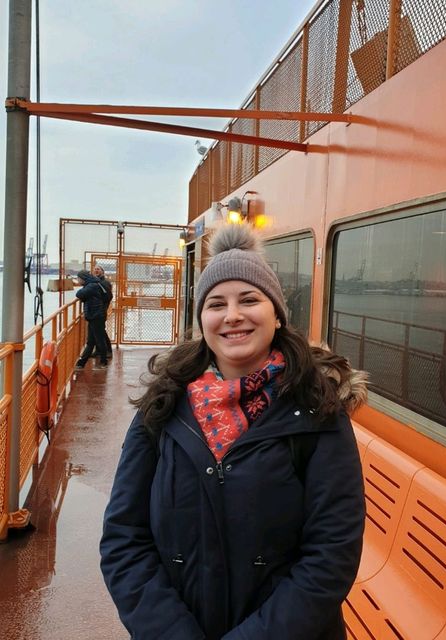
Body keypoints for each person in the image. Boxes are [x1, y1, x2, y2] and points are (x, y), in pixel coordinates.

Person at [100, 224, 367, 640]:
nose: (233, 316)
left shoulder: (318, 411)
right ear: (202, 319)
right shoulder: (164, 405)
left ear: (276, 314)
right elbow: (124, 539)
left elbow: (331, 555)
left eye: (249, 299)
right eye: (216, 304)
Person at [74, 270, 109, 370]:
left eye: (78, 278)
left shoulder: (91, 286)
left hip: (96, 316)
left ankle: (103, 362)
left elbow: (79, 294)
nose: (78, 280)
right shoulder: (94, 284)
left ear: (83, 278)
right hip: (95, 316)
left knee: (99, 340)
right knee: (91, 341)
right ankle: (81, 363)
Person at [92, 264, 113, 359]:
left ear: (102, 271)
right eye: (95, 269)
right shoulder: (96, 282)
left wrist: (102, 305)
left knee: (101, 331)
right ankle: (98, 350)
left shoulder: (105, 283)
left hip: (100, 310)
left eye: (98, 269)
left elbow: (108, 297)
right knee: (96, 332)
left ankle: (108, 350)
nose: (96, 270)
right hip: (97, 311)